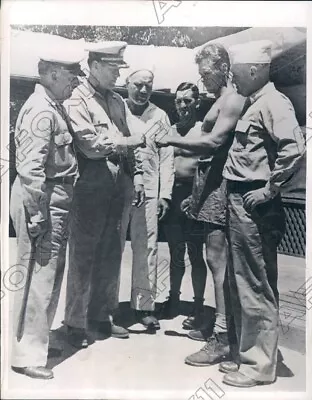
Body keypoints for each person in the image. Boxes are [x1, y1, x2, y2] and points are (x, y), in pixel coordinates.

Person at [156, 43, 247, 366]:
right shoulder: (220, 100)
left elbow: (213, 142)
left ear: (223, 67)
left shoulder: (233, 99)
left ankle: (223, 337)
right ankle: (222, 331)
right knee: (212, 259)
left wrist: (171, 139)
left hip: (221, 187)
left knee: (218, 261)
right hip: (206, 189)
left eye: (206, 72)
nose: (202, 78)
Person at [10, 41, 85, 379]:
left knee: (49, 274)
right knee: (38, 276)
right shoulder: (42, 110)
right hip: (41, 198)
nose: (77, 81)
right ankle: (26, 354)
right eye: (72, 75)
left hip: (56, 199)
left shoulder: (52, 105)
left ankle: (36, 342)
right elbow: (31, 170)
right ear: (53, 74)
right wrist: (37, 213)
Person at [63, 42, 146, 348]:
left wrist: (136, 175)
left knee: (112, 252)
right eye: (113, 69)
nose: (117, 76)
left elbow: (128, 141)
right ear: (94, 66)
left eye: (119, 70)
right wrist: (126, 142)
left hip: (119, 184)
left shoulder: (116, 101)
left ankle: (101, 316)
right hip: (91, 184)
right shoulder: (77, 99)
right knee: (84, 254)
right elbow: (89, 144)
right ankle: (74, 321)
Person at [120, 69, 174, 330]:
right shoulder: (116, 109)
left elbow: (167, 158)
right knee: (112, 247)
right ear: (126, 84)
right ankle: (105, 306)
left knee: (147, 248)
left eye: (148, 86)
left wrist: (165, 195)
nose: (143, 91)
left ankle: (143, 306)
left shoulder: (160, 116)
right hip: (118, 189)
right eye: (138, 85)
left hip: (150, 191)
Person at [160, 82, 208, 331]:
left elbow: (209, 167)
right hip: (174, 194)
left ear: (197, 103)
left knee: (196, 254)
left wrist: (197, 198)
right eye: (179, 101)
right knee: (175, 252)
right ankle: (174, 300)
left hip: (196, 196)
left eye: (188, 101)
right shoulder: (171, 130)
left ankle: (199, 306)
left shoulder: (204, 130)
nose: (183, 106)